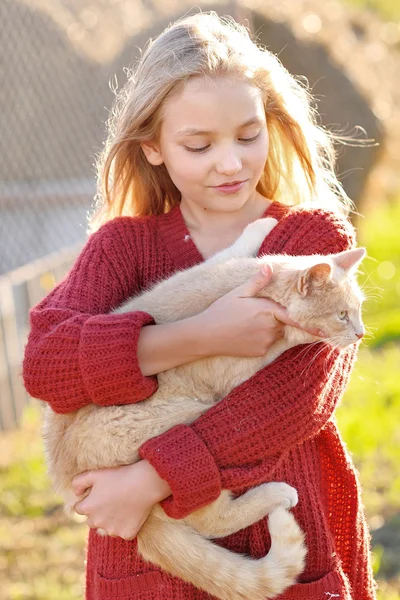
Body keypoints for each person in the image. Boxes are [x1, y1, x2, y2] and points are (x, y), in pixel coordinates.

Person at [22, 12, 376, 600]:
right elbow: (46, 365)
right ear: (153, 148)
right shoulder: (122, 247)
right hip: (150, 570)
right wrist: (204, 334)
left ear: (272, 124)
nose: (231, 162)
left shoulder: (310, 242)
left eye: (247, 135)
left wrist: (148, 480)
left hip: (279, 527)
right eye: (198, 145)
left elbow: (292, 400)